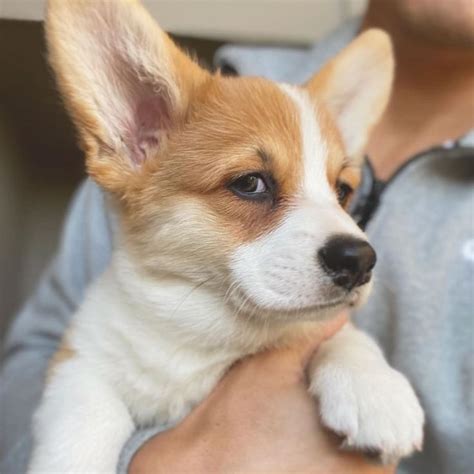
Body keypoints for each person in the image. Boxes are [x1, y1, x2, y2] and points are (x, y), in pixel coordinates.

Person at [1, 0, 472, 472]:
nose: (348, 239)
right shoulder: (185, 117)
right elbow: (51, 361)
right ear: (135, 139)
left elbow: (328, 336)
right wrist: (151, 462)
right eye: (251, 184)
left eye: (340, 189)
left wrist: (350, 360)